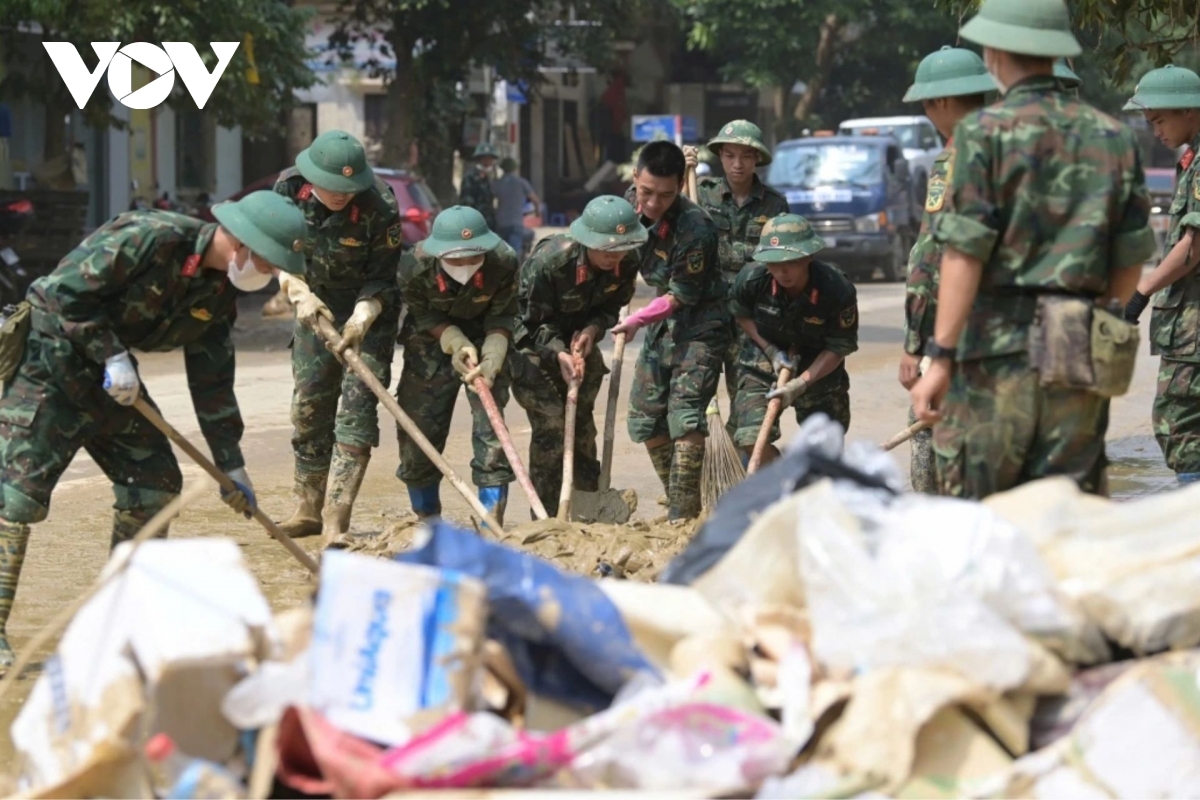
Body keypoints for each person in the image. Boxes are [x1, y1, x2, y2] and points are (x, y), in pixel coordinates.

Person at [0, 190, 307, 667]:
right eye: (269, 263)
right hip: (52, 365)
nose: (268, 275)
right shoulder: (151, 237)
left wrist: (232, 465)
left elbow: (212, 380)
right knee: (14, 498)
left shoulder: (218, 291)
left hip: (112, 384)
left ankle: (119, 621)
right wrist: (112, 353)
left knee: (155, 486)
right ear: (242, 243)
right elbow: (60, 295)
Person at [909, 0, 1156, 500]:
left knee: (986, 515)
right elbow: (1130, 258)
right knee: (1068, 508)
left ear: (995, 51)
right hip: (1077, 341)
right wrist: (1101, 318)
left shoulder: (982, 133)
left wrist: (939, 357)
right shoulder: (1113, 137)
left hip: (992, 350)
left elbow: (963, 254)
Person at [272, 131, 403, 544]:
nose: (340, 195)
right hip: (314, 307)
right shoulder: (288, 189)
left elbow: (384, 275)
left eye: (349, 188)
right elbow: (273, 249)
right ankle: (307, 507)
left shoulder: (380, 204)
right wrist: (295, 289)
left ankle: (336, 518)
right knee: (310, 407)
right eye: (331, 187)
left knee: (357, 413)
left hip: (369, 314)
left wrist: (363, 316)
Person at [897, 46, 996, 494]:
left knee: (939, 443)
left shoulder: (955, 159)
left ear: (941, 102)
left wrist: (914, 344)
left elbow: (930, 257)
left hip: (957, 334)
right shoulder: (1010, 148)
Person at [510, 196, 646, 517]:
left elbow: (611, 308)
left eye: (621, 251)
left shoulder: (627, 260)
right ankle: (544, 517)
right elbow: (523, 322)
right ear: (586, 241)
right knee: (553, 426)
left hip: (580, 344)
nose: (615, 259)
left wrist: (592, 330)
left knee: (582, 427)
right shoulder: (550, 262)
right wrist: (557, 352)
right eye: (606, 252)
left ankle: (586, 507)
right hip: (533, 347)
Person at [615, 141, 726, 521]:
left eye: (665, 195)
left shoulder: (697, 229)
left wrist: (636, 321)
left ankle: (681, 515)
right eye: (646, 192)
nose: (652, 202)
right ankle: (682, 501)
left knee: (685, 415)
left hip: (701, 323)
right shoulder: (628, 205)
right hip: (660, 321)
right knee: (645, 418)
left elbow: (680, 296)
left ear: (681, 185)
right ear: (635, 179)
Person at [395, 206, 519, 524]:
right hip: (429, 342)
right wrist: (451, 338)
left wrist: (494, 351)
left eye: (472, 259)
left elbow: (504, 314)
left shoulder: (503, 261)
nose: (464, 266)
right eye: (455, 260)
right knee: (419, 428)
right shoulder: (414, 265)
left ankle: (491, 521)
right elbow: (423, 314)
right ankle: (427, 518)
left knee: (491, 427)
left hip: (486, 336)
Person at [1121, 66, 1200, 484]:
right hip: (1188, 327)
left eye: (1159, 120)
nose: (1155, 131)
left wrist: (1141, 292)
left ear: (1189, 110)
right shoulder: (1191, 160)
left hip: (1194, 331)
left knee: (1180, 426)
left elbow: (1192, 248)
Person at [729, 215, 858, 466]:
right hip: (765, 354)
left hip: (818, 360)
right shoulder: (752, 279)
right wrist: (770, 350)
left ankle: (813, 481)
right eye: (774, 263)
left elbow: (839, 346)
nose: (782, 271)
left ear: (808, 257)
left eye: (791, 262)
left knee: (825, 450)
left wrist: (801, 383)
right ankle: (784, 479)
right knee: (750, 438)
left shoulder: (836, 288)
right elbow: (741, 313)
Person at [689, 120, 789, 405]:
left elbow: (786, 260)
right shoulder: (700, 193)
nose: (737, 164)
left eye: (746, 156)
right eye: (730, 155)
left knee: (752, 414)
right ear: (720, 156)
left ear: (756, 158)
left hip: (753, 318)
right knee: (688, 407)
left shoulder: (775, 205)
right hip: (706, 315)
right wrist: (682, 174)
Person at [492, 158, 540, 256]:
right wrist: (537, 212)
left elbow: (490, 200)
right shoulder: (521, 182)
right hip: (516, 222)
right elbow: (535, 200)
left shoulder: (496, 183)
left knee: (502, 252)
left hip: (501, 222)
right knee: (514, 252)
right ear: (515, 169)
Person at [459, 143, 499, 230]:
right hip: (475, 224)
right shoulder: (470, 177)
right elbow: (466, 202)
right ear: (479, 159)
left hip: (489, 223)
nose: (487, 162)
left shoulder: (490, 178)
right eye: (484, 158)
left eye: (490, 159)